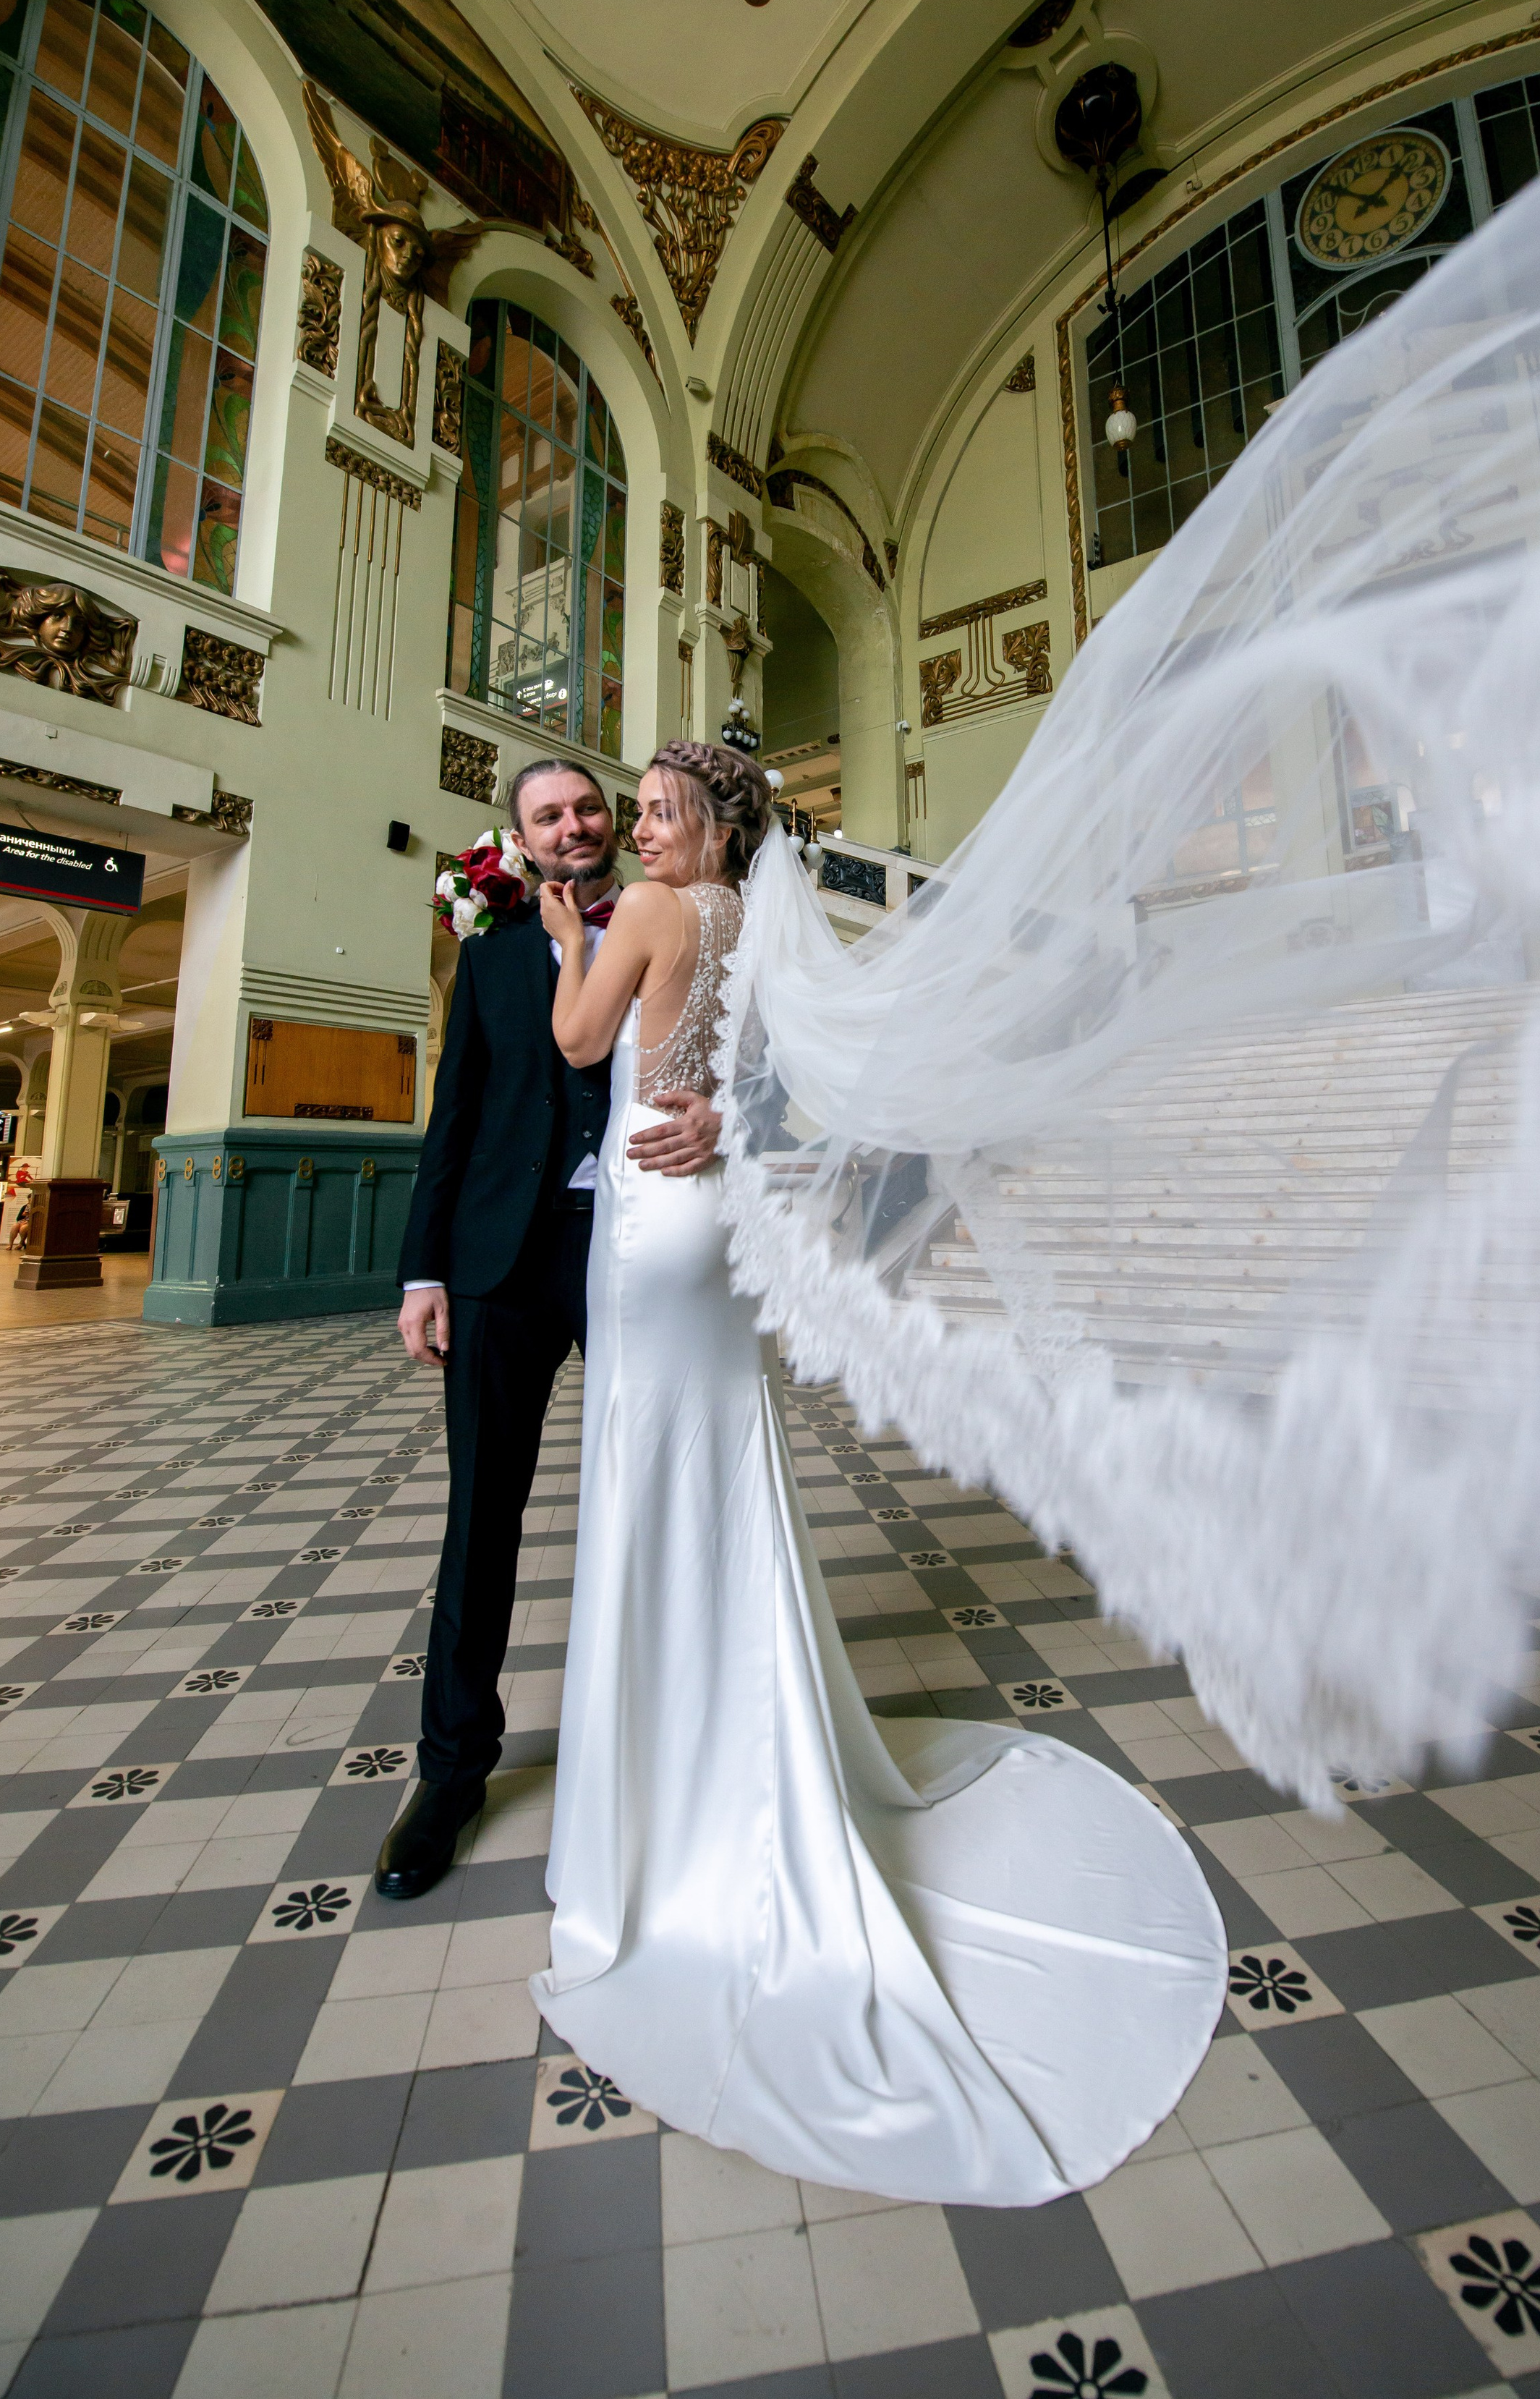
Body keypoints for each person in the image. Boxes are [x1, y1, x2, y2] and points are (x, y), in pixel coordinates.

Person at [529, 739, 1227, 2207]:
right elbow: (788, 1086)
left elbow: (582, 1047)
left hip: (653, 1235)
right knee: (719, 1469)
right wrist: (725, 1109)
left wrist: (562, 937)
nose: (639, 830)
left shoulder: (648, 916)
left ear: (715, 834)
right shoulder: (756, 928)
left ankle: (663, 1780)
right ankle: (721, 1725)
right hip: (714, 1213)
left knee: (652, 1476)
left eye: (660, 813)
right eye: (636, 814)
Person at [376, 758, 722, 1902]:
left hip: (638, 1249)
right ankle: (451, 1772)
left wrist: (727, 1110)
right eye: (547, 815)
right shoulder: (488, 957)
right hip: (498, 1265)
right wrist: (425, 1268)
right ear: (519, 840)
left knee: (656, 1493)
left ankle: (674, 1741)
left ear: (612, 821)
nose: (572, 826)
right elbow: (455, 1115)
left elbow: (752, 1058)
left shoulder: (679, 917)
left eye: (586, 807)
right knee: (481, 1516)